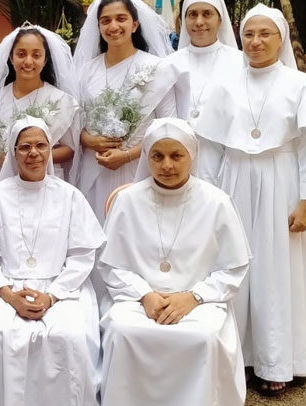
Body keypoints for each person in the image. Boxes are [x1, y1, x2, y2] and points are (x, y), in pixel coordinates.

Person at [194, 4, 306, 396]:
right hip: (234, 181)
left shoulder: (299, 84)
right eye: (248, 34)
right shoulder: (224, 84)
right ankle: (238, 358)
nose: (255, 42)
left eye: (264, 34)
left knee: (278, 271)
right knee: (234, 266)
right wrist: (206, 199)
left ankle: (279, 361)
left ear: (280, 39)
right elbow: (210, 149)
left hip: (282, 181)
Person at [98, 118, 251, 406]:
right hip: (137, 300)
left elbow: (233, 268)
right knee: (123, 331)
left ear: (191, 155)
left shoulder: (217, 202)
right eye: (157, 156)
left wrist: (193, 297)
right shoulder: (128, 200)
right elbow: (111, 265)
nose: (167, 165)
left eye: (176, 155)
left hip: (200, 302)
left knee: (204, 336)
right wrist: (145, 295)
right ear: (147, 158)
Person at [0, 116, 106, 406]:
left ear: (50, 150)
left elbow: (81, 256)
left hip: (60, 287)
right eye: (25, 147)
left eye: (41, 145)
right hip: (4, 286)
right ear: (13, 153)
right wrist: (10, 296)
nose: (34, 153)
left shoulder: (70, 196)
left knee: (70, 335)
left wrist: (51, 296)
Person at [73, 0, 189, 220]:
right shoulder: (86, 70)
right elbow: (74, 122)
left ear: (135, 25)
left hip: (139, 167)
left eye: (121, 18)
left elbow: (169, 127)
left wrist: (127, 155)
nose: (113, 26)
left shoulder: (158, 69)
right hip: (94, 166)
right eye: (106, 21)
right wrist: (89, 140)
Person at [0, 24, 80, 192]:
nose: (28, 61)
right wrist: (4, 160)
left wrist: (31, 157)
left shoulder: (61, 100)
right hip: (1, 181)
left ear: (45, 60)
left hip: (46, 180)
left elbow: (70, 149)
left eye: (36, 55)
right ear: (11, 57)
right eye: (21, 54)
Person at [161, 0, 244, 184]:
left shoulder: (240, 62)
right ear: (184, 21)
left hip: (226, 157)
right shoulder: (169, 63)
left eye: (207, 14)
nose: (199, 22)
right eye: (192, 15)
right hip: (177, 158)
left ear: (220, 20)